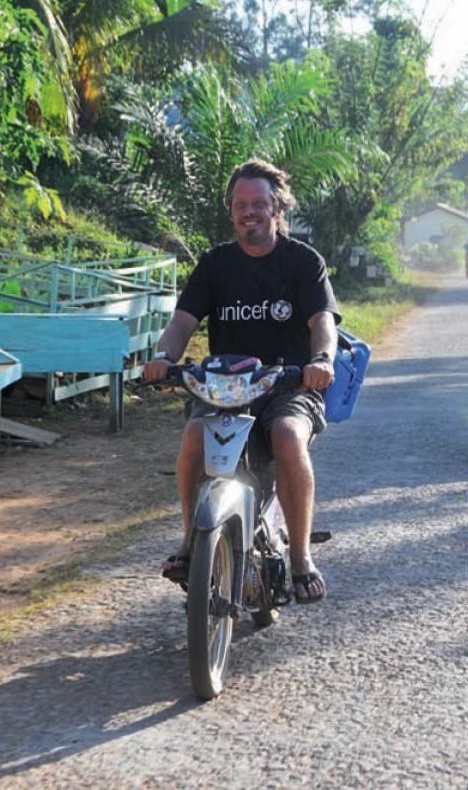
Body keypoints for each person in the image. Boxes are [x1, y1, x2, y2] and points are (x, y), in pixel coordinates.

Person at [143, 159, 340, 604]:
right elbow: (181, 323)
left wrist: (321, 359)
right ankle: (191, 543)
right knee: (195, 435)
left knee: (289, 436)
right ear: (231, 210)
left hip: (287, 387)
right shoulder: (215, 264)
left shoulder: (303, 262)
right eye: (240, 204)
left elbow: (322, 321)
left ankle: (301, 558)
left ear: (278, 209)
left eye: (259, 204)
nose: (248, 211)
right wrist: (162, 358)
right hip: (223, 388)